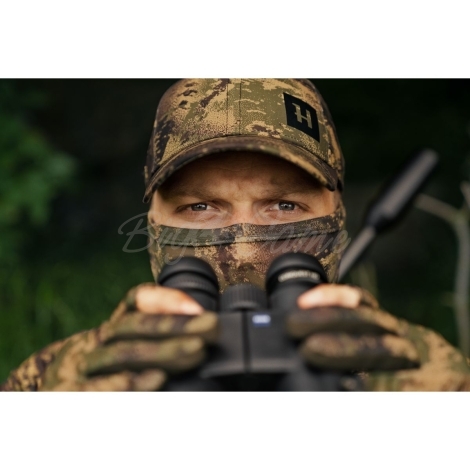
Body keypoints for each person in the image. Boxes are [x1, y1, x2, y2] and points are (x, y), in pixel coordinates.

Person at [2, 78, 470, 391]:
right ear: (153, 225)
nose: (244, 251)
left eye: (284, 206)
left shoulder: (412, 374)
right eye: (199, 207)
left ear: (338, 219)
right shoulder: (62, 380)